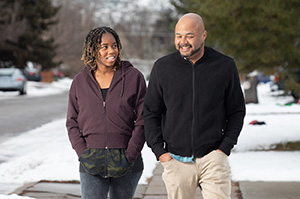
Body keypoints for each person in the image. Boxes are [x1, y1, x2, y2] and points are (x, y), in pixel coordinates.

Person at [144, 13, 246, 199]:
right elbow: (151, 113)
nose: (183, 41)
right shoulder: (162, 67)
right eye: (178, 35)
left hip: (213, 158)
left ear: (203, 35)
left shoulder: (224, 66)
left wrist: (224, 148)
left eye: (189, 36)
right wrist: (161, 153)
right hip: (175, 160)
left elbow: (237, 110)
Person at [66, 26, 146, 199]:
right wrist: (83, 154)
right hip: (91, 159)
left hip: (126, 158)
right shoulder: (80, 81)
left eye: (114, 45)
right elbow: (72, 122)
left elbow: (143, 119)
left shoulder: (134, 77)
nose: (112, 50)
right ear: (92, 50)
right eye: (104, 47)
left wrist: (130, 154)